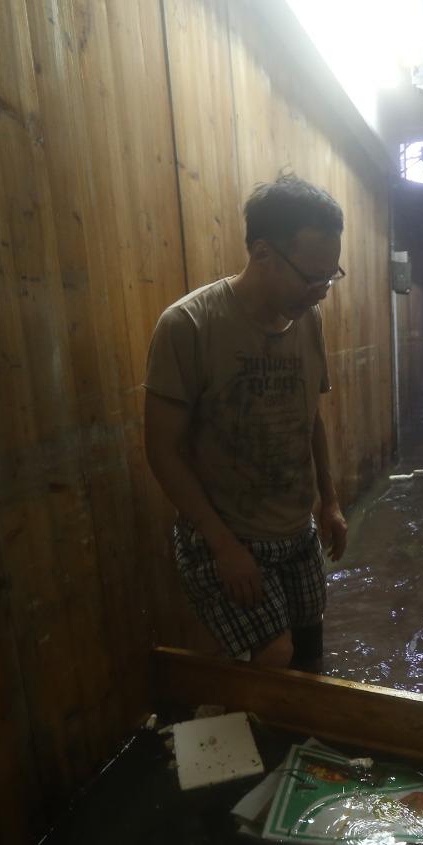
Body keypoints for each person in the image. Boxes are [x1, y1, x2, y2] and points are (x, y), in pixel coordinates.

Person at [142, 175, 350, 671]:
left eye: (330, 277)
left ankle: (300, 746)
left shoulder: (307, 320)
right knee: (274, 655)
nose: (320, 292)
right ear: (262, 252)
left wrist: (331, 500)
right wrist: (223, 546)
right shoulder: (189, 326)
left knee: (310, 651)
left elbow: (309, 415)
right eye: (310, 278)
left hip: (295, 528)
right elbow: (161, 451)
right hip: (224, 533)